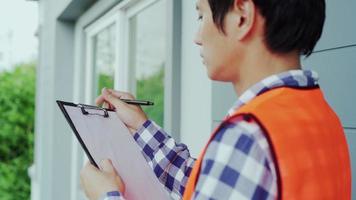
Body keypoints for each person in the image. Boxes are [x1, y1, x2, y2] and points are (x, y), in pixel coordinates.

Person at [80, 0, 352, 199]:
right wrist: (141, 128)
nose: (197, 38)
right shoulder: (322, 117)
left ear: (242, 16)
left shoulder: (248, 135)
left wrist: (108, 196)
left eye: (201, 16)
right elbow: (211, 183)